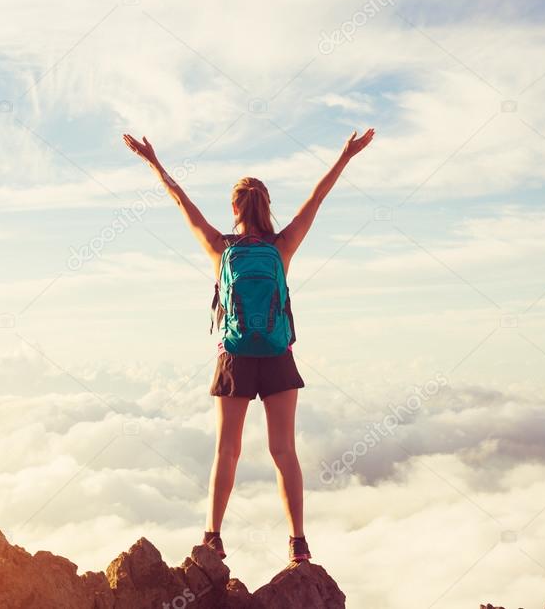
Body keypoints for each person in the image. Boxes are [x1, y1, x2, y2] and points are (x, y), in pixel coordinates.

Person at [122, 128, 375, 563]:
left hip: (235, 357)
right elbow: (317, 199)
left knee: (227, 450)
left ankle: (213, 537)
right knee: (284, 452)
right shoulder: (283, 245)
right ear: (266, 207)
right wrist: (345, 155)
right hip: (277, 356)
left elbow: (182, 203)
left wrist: (153, 162)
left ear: (235, 208)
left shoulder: (222, 248)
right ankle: (298, 543)